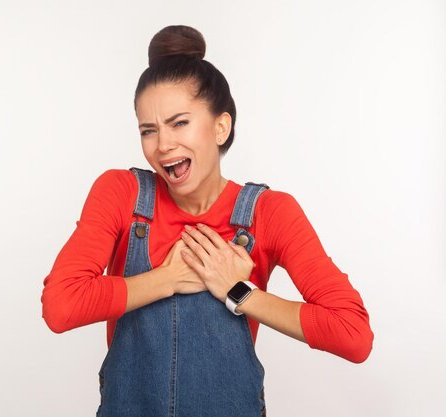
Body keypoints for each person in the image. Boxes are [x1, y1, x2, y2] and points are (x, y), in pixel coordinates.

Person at [41, 25, 374, 417]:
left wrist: (238, 292)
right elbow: (61, 307)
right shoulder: (121, 194)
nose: (163, 145)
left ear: (221, 127)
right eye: (149, 130)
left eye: (179, 123)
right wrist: (168, 279)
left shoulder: (269, 212)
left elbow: (353, 335)